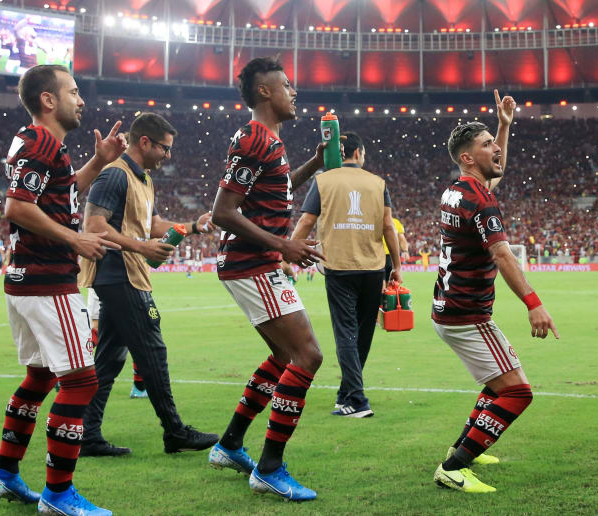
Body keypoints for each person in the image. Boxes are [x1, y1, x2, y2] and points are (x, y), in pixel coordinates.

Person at [0, 64, 125, 516]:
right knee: (82, 381)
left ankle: (3, 476)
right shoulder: (42, 142)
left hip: (24, 279)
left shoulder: (41, 144)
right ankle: (59, 496)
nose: (81, 100)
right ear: (49, 100)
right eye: (74, 92)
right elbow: (17, 207)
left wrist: (99, 161)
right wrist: (74, 239)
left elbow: (60, 196)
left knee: (40, 377)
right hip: (48, 281)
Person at [206, 56, 329, 502]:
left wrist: (313, 164)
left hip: (258, 262)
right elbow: (223, 211)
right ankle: (270, 467)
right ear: (265, 92)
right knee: (307, 356)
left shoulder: (270, 142)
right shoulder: (255, 138)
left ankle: (230, 444)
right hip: (250, 263)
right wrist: (284, 246)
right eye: (287, 85)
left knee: (283, 357)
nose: (293, 92)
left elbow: (276, 191)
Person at [431, 90, 559, 494]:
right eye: (486, 146)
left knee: (496, 383)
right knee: (518, 392)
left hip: (449, 307)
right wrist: (534, 304)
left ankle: (465, 444)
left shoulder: (457, 189)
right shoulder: (481, 201)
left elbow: (495, 171)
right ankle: (455, 466)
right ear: (468, 157)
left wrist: (503, 126)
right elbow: (503, 255)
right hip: (467, 314)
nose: (496, 151)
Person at [78, 112, 219, 457]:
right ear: (145, 142)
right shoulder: (114, 175)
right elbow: (94, 226)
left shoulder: (144, 180)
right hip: (118, 273)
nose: (168, 156)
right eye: (165, 149)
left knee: (110, 357)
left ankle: (85, 434)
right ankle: (174, 431)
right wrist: (141, 247)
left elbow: (154, 225)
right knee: (152, 348)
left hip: (127, 273)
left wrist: (193, 226)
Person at [290, 131, 401, 418]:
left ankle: (356, 399)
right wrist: (397, 266)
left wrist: (287, 253)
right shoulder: (378, 183)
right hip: (374, 267)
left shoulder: (323, 181)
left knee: (345, 333)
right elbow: (389, 227)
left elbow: (306, 221)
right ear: (359, 153)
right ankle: (347, 394)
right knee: (363, 333)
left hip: (339, 267)